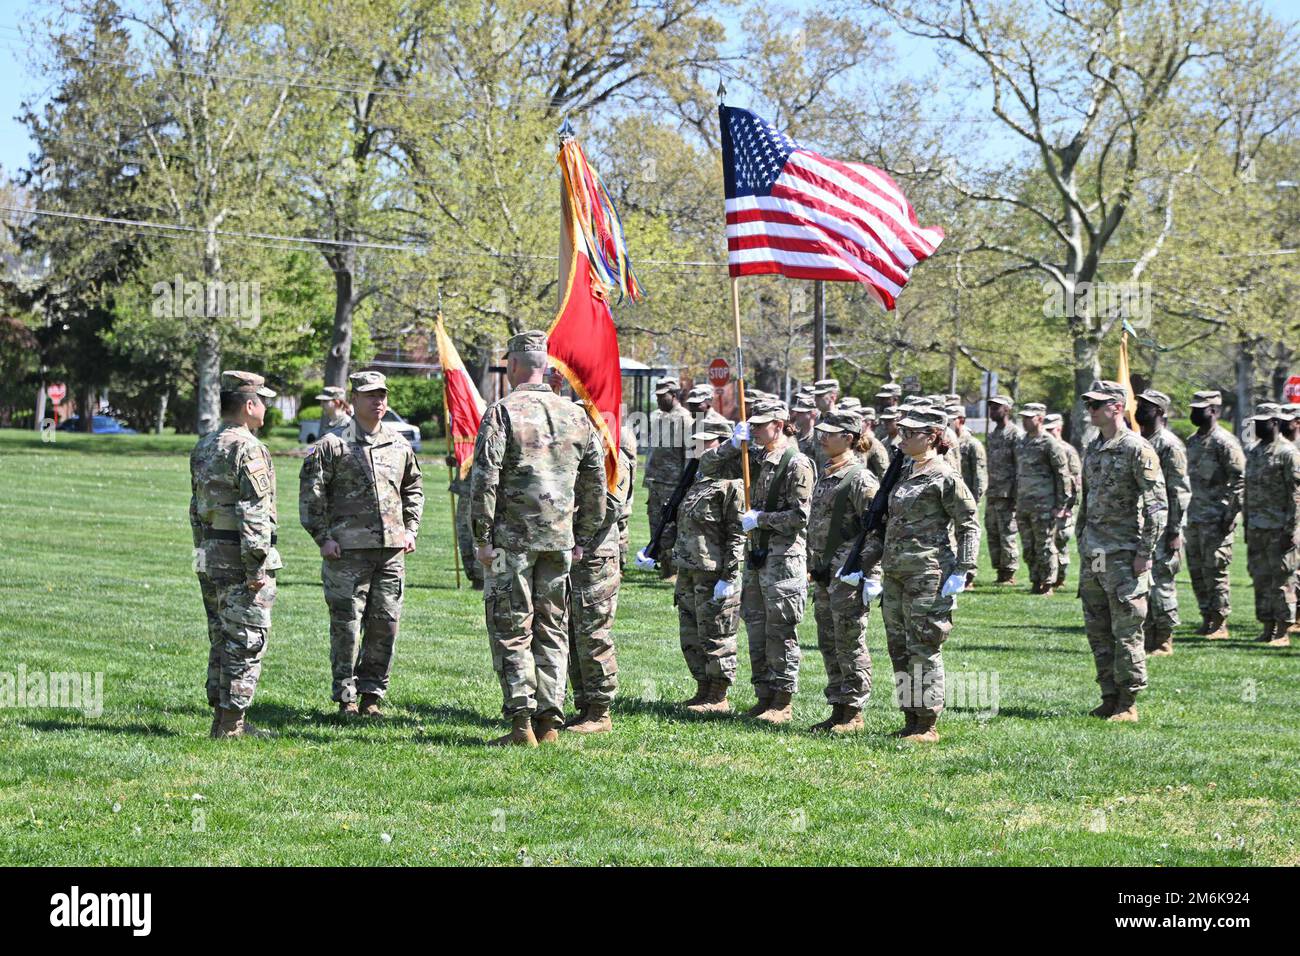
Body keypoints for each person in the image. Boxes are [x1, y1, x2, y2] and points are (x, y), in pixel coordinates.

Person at [471, 330, 607, 746]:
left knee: (513, 629)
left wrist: (481, 538)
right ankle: (550, 722)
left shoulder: (502, 411)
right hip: (559, 540)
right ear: (545, 367)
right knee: (553, 627)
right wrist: (583, 534)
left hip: (513, 541)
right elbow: (596, 481)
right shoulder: (575, 414)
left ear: (513, 366)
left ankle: (521, 724)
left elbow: (485, 479)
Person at [299, 370, 424, 717]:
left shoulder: (398, 445)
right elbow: (312, 496)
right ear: (353, 399)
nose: (378, 401)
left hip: (391, 551)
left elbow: (413, 488)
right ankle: (346, 697)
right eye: (370, 395)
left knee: (385, 623)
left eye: (382, 395)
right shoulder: (333, 444)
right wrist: (322, 538)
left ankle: (372, 694)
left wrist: (410, 529)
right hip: (346, 552)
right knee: (347, 625)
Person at [855, 406, 979, 742]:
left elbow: (968, 524)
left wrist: (964, 569)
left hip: (929, 573)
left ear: (933, 437)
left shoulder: (945, 476)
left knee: (924, 646)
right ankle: (910, 717)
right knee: (899, 648)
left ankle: (927, 723)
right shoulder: (903, 472)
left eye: (912, 433)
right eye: (902, 432)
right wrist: (867, 565)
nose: (903, 437)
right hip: (896, 572)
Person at [709, 398, 814, 723]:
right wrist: (731, 444)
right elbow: (708, 467)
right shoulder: (753, 456)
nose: (753, 429)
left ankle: (782, 701)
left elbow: (800, 515)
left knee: (780, 630)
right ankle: (764, 695)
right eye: (751, 425)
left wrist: (762, 519)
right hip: (757, 559)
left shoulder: (797, 463)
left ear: (779, 425)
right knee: (756, 627)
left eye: (759, 425)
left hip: (783, 560)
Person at [189, 371, 281, 739]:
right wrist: (256, 565)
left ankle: (221, 719)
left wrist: (201, 552)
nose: (266, 409)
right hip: (240, 557)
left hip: (210, 552)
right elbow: (254, 513)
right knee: (246, 639)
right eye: (264, 402)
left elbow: (196, 507)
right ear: (248, 405)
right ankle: (231, 725)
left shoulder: (206, 444)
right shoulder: (248, 448)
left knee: (222, 636)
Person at [1076, 381, 1167, 723]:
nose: (1091, 410)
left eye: (1097, 404)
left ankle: (1128, 702)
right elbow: (1087, 499)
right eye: (1089, 404)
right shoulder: (1093, 447)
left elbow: (1158, 506)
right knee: (1097, 628)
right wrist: (1081, 537)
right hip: (1095, 553)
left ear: (1116, 406)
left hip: (1124, 554)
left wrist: (1145, 551)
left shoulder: (1136, 448)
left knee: (1127, 629)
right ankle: (1108, 695)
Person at [807, 409, 879, 734]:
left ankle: (854, 712)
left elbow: (877, 530)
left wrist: (864, 570)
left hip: (847, 574)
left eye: (830, 433)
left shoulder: (860, 478)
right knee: (829, 640)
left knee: (850, 641)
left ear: (848, 438)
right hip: (823, 571)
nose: (823, 437)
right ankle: (837, 708)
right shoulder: (827, 473)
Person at [565, 404, 635, 734]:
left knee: (593, 631)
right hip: (572, 551)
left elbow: (612, 505)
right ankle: (584, 704)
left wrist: (575, 526)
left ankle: (601, 710)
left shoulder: (611, 451)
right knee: (571, 632)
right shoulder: (577, 446)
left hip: (596, 554)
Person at [671, 411, 746, 713]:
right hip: (689, 569)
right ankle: (702, 688)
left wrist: (730, 575)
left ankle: (718, 696)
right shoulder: (699, 481)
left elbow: (736, 533)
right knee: (691, 633)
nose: (698, 447)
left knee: (717, 633)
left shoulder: (732, 485)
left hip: (713, 572)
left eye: (705, 442)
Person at [1184, 390, 1245, 640]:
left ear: (1213, 411)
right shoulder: (1192, 441)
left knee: (1216, 571)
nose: (1194, 413)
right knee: (1197, 572)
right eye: (1193, 409)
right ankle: (1206, 618)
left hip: (1217, 519)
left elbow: (1240, 479)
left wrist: (1230, 514)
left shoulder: (1225, 442)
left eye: (1199, 409)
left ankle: (1220, 623)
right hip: (1194, 517)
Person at [1135, 390, 1190, 656]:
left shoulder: (1169, 445)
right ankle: (1148, 637)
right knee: (1144, 584)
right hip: (1143, 526)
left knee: (1162, 584)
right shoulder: (1139, 441)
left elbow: (1179, 491)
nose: (1139, 408)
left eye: (1145, 406)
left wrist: (1175, 530)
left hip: (1165, 526)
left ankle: (1164, 639)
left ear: (1158, 411)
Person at [1242, 402, 1300, 648]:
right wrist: (1246, 524)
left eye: (1262, 421)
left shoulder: (1288, 453)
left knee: (1282, 580)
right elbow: (1248, 492)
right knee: (1261, 578)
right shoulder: (1255, 452)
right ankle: (1267, 627)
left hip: (1280, 528)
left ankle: (1283, 631)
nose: (1256, 425)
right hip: (1257, 527)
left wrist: (1293, 529)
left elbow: (1296, 495)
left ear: (1275, 422)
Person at [1015, 402, 1071, 595]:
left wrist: (1061, 505)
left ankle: (1047, 583)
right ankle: (1035, 580)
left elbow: (1062, 475)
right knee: (1028, 546)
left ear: (1039, 418)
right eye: (1023, 418)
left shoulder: (1050, 443)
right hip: (1024, 504)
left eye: (1028, 418)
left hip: (1044, 504)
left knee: (1045, 545)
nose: (1024, 421)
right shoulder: (1022, 442)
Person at [644, 377, 693, 582]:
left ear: (674, 395)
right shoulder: (656, 417)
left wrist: (685, 487)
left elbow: (690, 456)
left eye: (661, 396)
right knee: (655, 525)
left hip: (673, 484)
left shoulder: (686, 419)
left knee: (670, 528)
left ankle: (673, 571)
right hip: (655, 481)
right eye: (656, 396)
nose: (658, 400)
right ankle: (663, 568)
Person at [985, 395, 1024, 585]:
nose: (993, 411)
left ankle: (1009, 572)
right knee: (992, 532)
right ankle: (999, 570)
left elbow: (1020, 466)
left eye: (997, 408)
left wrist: (1017, 494)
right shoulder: (992, 435)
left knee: (1007, 533)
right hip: (993, 492)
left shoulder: (1015, 434)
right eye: (991, 408)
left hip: (1008, 494)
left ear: (1007, 410)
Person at [1045, 413, 1081, 589]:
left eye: (1051, 429)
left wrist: (1069, 506)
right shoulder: (1044, 447)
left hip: (1064, 506)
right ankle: (1050, 576)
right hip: (1048, 503)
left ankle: (1061, 576)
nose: (1049, 433)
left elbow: (1075, 481)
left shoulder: (1068, 450)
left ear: (1059, 428)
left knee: (1060, 540)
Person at [951, 403, 988, 503]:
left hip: (966, 498)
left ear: (961, 420)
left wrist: (974, 500)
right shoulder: (946, 443)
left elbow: (979, 475)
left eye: (952, 420)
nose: (949, 423)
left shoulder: (972, 444)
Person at [618, 409, 637, 572]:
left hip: (620, 490)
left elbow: (630, 466)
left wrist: (626, 495)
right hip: (619, 489)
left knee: (620, 527)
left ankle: (620, 564)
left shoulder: (623, 433)